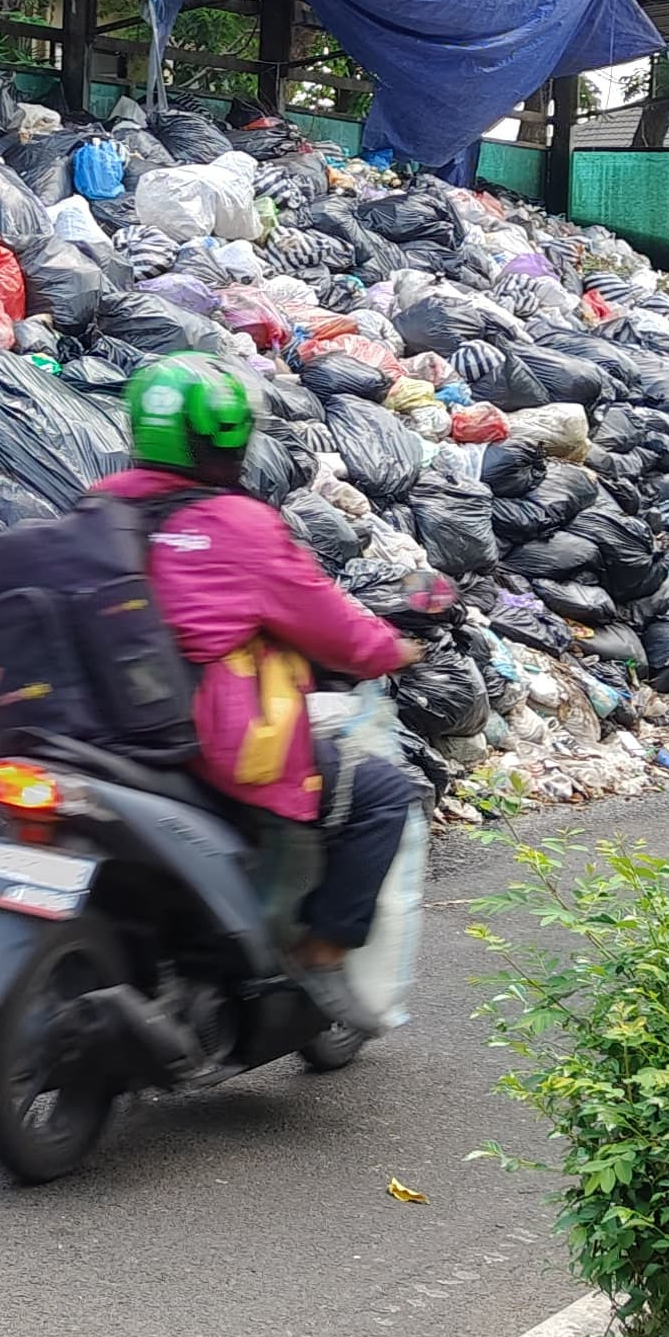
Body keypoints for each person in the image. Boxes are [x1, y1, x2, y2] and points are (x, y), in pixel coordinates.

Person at [87, 354, 419, 1022]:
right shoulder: (240, 525)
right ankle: (323, 953)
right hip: (210, 742)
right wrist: (393, 649)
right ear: (227, 437)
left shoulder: (97, 505)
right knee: (384, 794)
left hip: (100, 725)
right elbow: (334, 630)